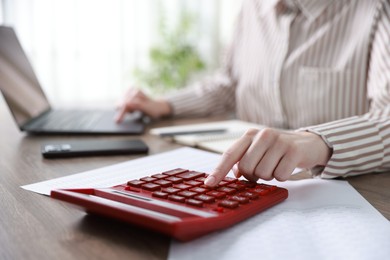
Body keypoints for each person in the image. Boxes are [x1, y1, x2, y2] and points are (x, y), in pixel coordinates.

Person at [115, 0, 390, 187]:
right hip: (246, 183)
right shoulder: (252, 8)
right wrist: (164, 104)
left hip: (341, 188)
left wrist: (319, 142)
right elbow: (229, 84)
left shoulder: (376, 10)